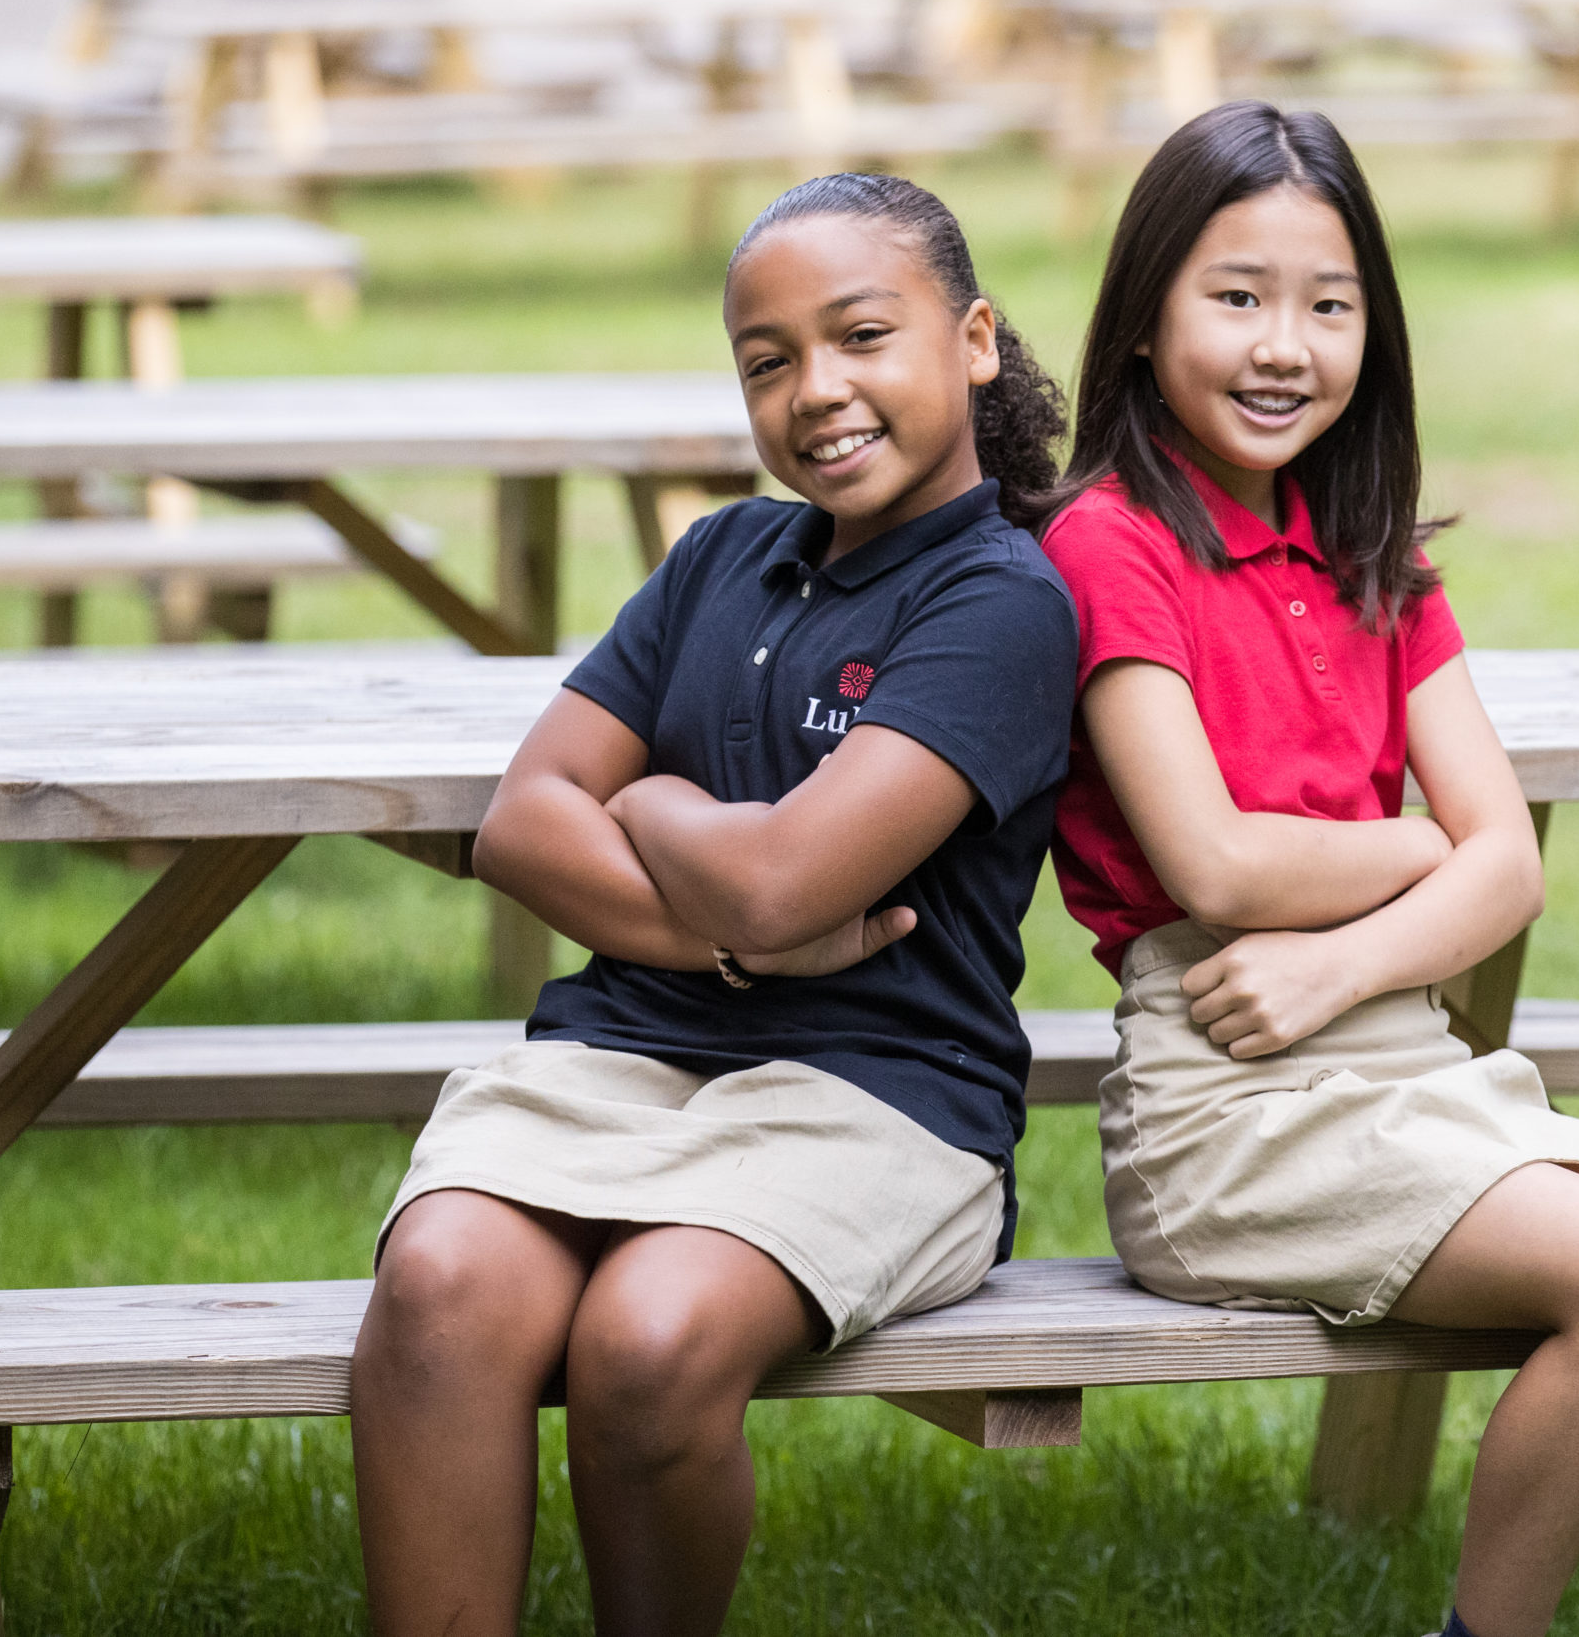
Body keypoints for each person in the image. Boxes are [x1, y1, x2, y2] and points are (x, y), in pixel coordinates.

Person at [1021, 102, 1579, 1637]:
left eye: (1330, 306)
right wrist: (1414, 848)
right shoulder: (1111, 545)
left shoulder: (1375, 550)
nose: (1284, 346)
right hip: (1225, 1113)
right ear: (1143, 321)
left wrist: (1344, 958)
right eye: (1236, 296)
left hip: (1412, 1069)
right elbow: (1216, 864)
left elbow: (1510, 875)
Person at [350, 173, 1077, 1637]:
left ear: (974, 341)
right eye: (767, 361)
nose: (817, 390)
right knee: (437, 1287)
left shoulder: (1002, 603)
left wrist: (657, 805)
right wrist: (728, 942)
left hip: (878, 1094)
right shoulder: (720, 559)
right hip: (620, 1055)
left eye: (862, 336)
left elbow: (779, 879)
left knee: (651, 1334)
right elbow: (524, 823)